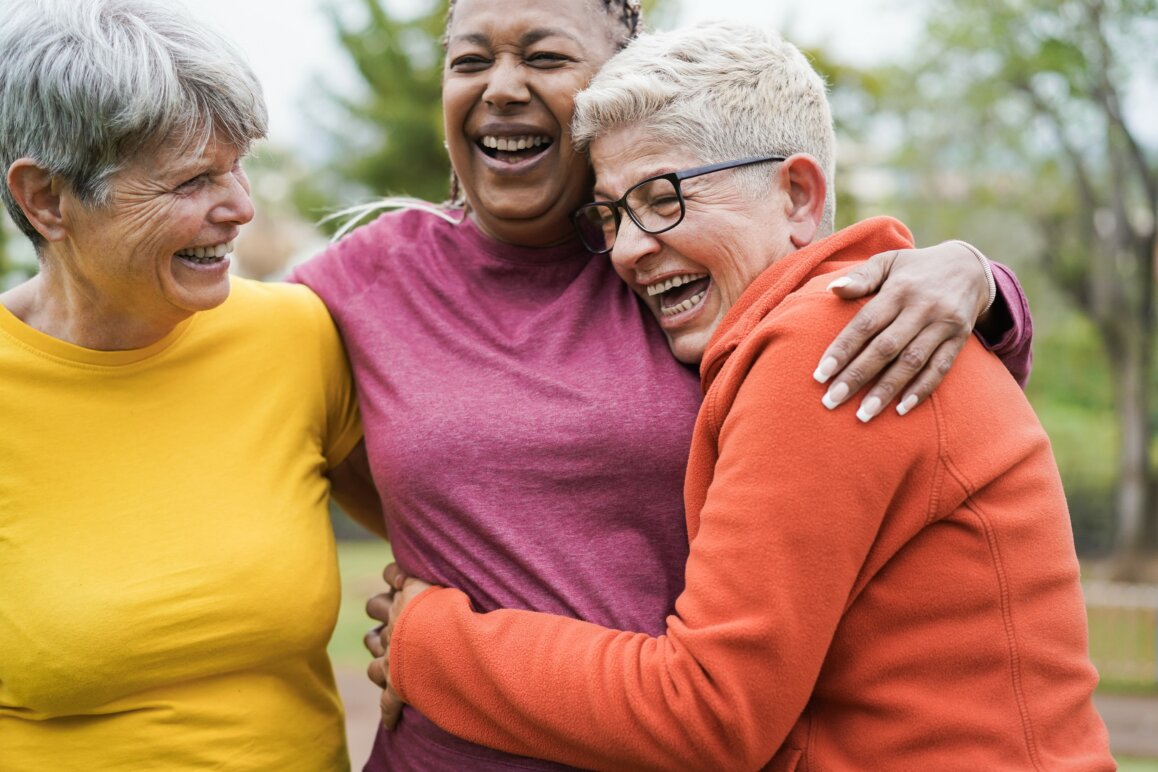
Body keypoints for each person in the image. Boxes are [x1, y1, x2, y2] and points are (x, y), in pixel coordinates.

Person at [296, 0, 1032, 769]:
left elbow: (898, 386)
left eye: (544, 58)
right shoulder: (369, 280)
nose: (503, 87)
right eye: (471, 61)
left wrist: (979, 282)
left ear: (613, 83)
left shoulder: (688, 260)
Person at [0, 1, 383, 768]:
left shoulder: (297, 335)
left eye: (240, 165)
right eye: (192, 180)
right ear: (47, 200)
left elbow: (453, 535)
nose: (240, 207)